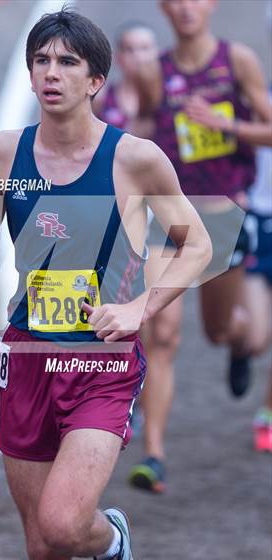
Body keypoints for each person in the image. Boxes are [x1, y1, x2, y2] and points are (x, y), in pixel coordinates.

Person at [0, 9, 211, 560]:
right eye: (40, 61)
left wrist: (139, 307)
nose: (50, 73)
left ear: (95, 81)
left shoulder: (135, 159)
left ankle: (112, 540)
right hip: (28, 355)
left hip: (100, 366)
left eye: (66, 62)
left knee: (63, 524)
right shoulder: (5, 153)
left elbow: (198, 245)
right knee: (41, 545)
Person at [128, 0, 272, 493]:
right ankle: (155, 454)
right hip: (168, 215)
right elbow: (144, 127)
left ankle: (238, 345)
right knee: (161, 333)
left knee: (222, 332)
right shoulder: (155, 72)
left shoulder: (237, 62)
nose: (186, 8)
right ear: (165, 9)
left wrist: (224, 124)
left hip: (223, 218)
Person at [245, 140, 272, 453]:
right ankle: (241, 348)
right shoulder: (258, 101)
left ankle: (267, 413)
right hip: (259, 220)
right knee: (256, 339)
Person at [93, 21, 158, 139]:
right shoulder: (101, 98)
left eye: (144, 48)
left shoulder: (171, 95)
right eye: (129, 50)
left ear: (157, 53)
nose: (138, 56)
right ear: (118, 57)